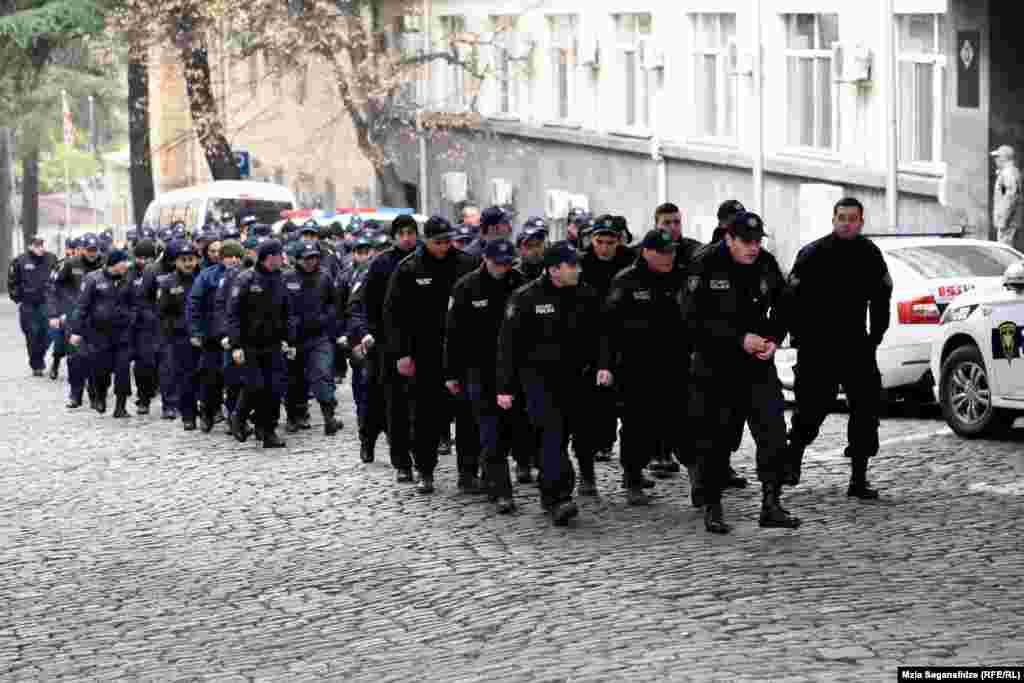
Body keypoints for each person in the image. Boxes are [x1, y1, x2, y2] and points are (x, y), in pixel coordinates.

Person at [683, 211, 800, 534]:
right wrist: (738, 338)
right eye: (746, 242)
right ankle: (713, 506)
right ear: (728, 238)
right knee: (715, 438)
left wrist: (773, 339)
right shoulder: (704, 263)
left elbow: (786, 304)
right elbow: (692, 319)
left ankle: (771, 504)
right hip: (714, 365)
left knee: (773, 431)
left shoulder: (765, 263)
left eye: (757, 241)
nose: (752, 248)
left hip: (756, 366)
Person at [783, 197, 893, 500]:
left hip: (856, 344)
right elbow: (790, 299)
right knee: (810, 410)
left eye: (853, 218)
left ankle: (858, 478)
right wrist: (798, 336)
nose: (846, 223)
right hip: (818, 346)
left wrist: (877, 335)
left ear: (861, 222)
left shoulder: (869, 253)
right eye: (841, 217)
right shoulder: (813, 254)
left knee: (867, 410)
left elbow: (882, 294)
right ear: (833, 220)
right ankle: (793, 457)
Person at [497, 241, 602, 525]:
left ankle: (550, 492)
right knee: (551, 437)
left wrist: (603, 366)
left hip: (577, 381)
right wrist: (505, 387)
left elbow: (601, 336)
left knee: (565, 437)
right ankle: (559, 497)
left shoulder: (586, 294)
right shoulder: (526, 298)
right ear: (554, 270)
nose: (578, 270)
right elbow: (508, 346)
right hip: (539, 382)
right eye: (572, 265)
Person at [382, 216, 479, 493]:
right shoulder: (409, 268)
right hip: (425, 353)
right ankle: (425, 469)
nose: (444, 246)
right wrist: (401, 354)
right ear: (426, 240)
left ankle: (468, 473)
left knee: (467, 415)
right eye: (438, 242)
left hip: (461, 352)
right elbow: (393, 316)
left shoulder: (465, 264)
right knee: (426, 416)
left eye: (448, 241)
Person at [599, 229, 688, 505]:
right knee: (637, 423)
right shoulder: (626, 281)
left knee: (675, 420)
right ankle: (632, 475)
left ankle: (694, 472)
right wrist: (606, 364)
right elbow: (608, 328)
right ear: (646, 252)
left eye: (671, 251)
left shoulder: (682, 277)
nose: (668, 257)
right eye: (662, 252)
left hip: (674, 362)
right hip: (635, 365)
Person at [445, 238, 526, 513]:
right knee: (490, 430)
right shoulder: (466, 287)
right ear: (486, 260)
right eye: (498, 263)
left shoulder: (520, 283)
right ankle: (501, 488)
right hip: (479, 369)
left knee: (515, 429)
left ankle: (500, 472)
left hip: (516, 369)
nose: (503, 269)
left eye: (507, 263)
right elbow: (453, 334)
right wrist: (451, 372)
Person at [361, 215, 421, 480]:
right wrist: (376, 335)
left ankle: (421, 456)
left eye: (411, 233)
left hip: (420, 343)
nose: (407, 238)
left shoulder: (424, 261)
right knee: (394, 405)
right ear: (394, 236)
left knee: (420, 407)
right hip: (389, 345)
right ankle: (401, 462)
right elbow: (370, 304)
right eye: (402, 233)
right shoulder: (381, 264)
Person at [580, 215, 635, 464]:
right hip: (590, 336)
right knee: (597, 397)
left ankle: (631, 461)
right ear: (592, 240)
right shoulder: (582, 263)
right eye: (599, 241)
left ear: (618, 241)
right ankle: (601, 442)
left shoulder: (629, 261)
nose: (604, 247)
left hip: (624, 335)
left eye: (609, 242)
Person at [226, 239, 291, 448]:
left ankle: (268, 430)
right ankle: (238, 417)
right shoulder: (245, 278)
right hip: (249, 343)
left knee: (273, 388)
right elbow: (233, 314)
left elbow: (287, 312)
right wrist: (235, 345)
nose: (281, 259)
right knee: (255, 385)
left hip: (273, 343)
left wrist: (289, 339)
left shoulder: (281, 279)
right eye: (278, 255)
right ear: (267, 257)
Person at [284, 241, 343, 437]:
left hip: (319, 336)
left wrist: (326, 319)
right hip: (294, 339)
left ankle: (329, 417)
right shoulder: (287, 278)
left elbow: (333, 304)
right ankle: (295, 415)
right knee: (295, 379)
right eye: (306, 258)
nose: (311, 262)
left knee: (321, 373)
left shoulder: (325, 277)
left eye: (314, 258)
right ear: (298, 259)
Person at [70, 249, 137, 417]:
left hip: (122, 333)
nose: (127, 265)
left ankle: (120, 407)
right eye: (124, 262)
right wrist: (76, 331)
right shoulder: (93, 279)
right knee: (101, 370)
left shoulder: (128, 278)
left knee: (123, 369)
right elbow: (81, 306)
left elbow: (135, 303)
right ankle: (99, 396)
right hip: (99, 333)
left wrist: (131, 317)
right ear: (114, 264)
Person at [48, 233, 104, 408]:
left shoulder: (104, 263)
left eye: (95, 250)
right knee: (75, 358)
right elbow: (54, 287)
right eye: (89, 250)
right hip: (75, 317)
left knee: (95, 358)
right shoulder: (71, 264)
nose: (92, 253)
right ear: (83, 250)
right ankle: (75, 393)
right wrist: (56, 311)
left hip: (97, 319)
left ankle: (95, 394)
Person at [158, 240, 202, 431]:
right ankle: (188, 415)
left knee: (206, 375)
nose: (188, 264)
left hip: (203, 335)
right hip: (180, 337)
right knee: (186, 377)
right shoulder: (167, 283)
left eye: (191, 259)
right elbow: (162, 312)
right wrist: (175, 330)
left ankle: (208, 411)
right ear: (176, 262)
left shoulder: (203, 279)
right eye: (183, 260)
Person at [8, 236, 57, 376]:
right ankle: (36, 365)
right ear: (30, 246)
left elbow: (58, 278)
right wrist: (18, 297)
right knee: (32, 334)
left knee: (49, 333)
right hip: (28, 304)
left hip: (46, 303)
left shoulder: (51, 259)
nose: (40, 248)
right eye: (37, 245)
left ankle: (38, 357)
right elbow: (12, 281)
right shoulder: (20, 261)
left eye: (42, 245)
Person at [129, 239, 159, 415]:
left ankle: (148, 393)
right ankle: (143, 397)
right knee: (141, 364)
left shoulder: (157, 273)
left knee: (150, 363)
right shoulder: (128, 273)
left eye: (148, 258)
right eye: (141, 258)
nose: (144, 261)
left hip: (151, 323)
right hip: (132, 324)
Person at [991, 145, 1023, 248]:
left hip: (1008, 223)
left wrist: (1003, 219)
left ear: (1004, 158)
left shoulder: (1008, 173)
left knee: (1005, 251)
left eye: (997, 157)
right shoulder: (1009, 172)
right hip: (1009, 222)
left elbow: (1010, 196)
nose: (996, 160)